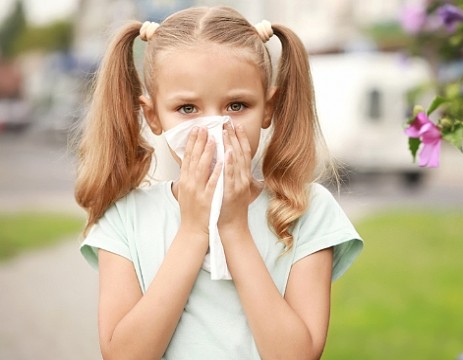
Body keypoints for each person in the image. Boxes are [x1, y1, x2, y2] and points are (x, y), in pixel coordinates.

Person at [73, 6, 363, 360]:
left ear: (268, 108)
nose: (215, 127)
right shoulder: (125, 217)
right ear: (153, 115)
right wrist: (194, 230)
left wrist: (234, 229)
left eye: (237, 105)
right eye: (187, 109)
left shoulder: (306, 210)